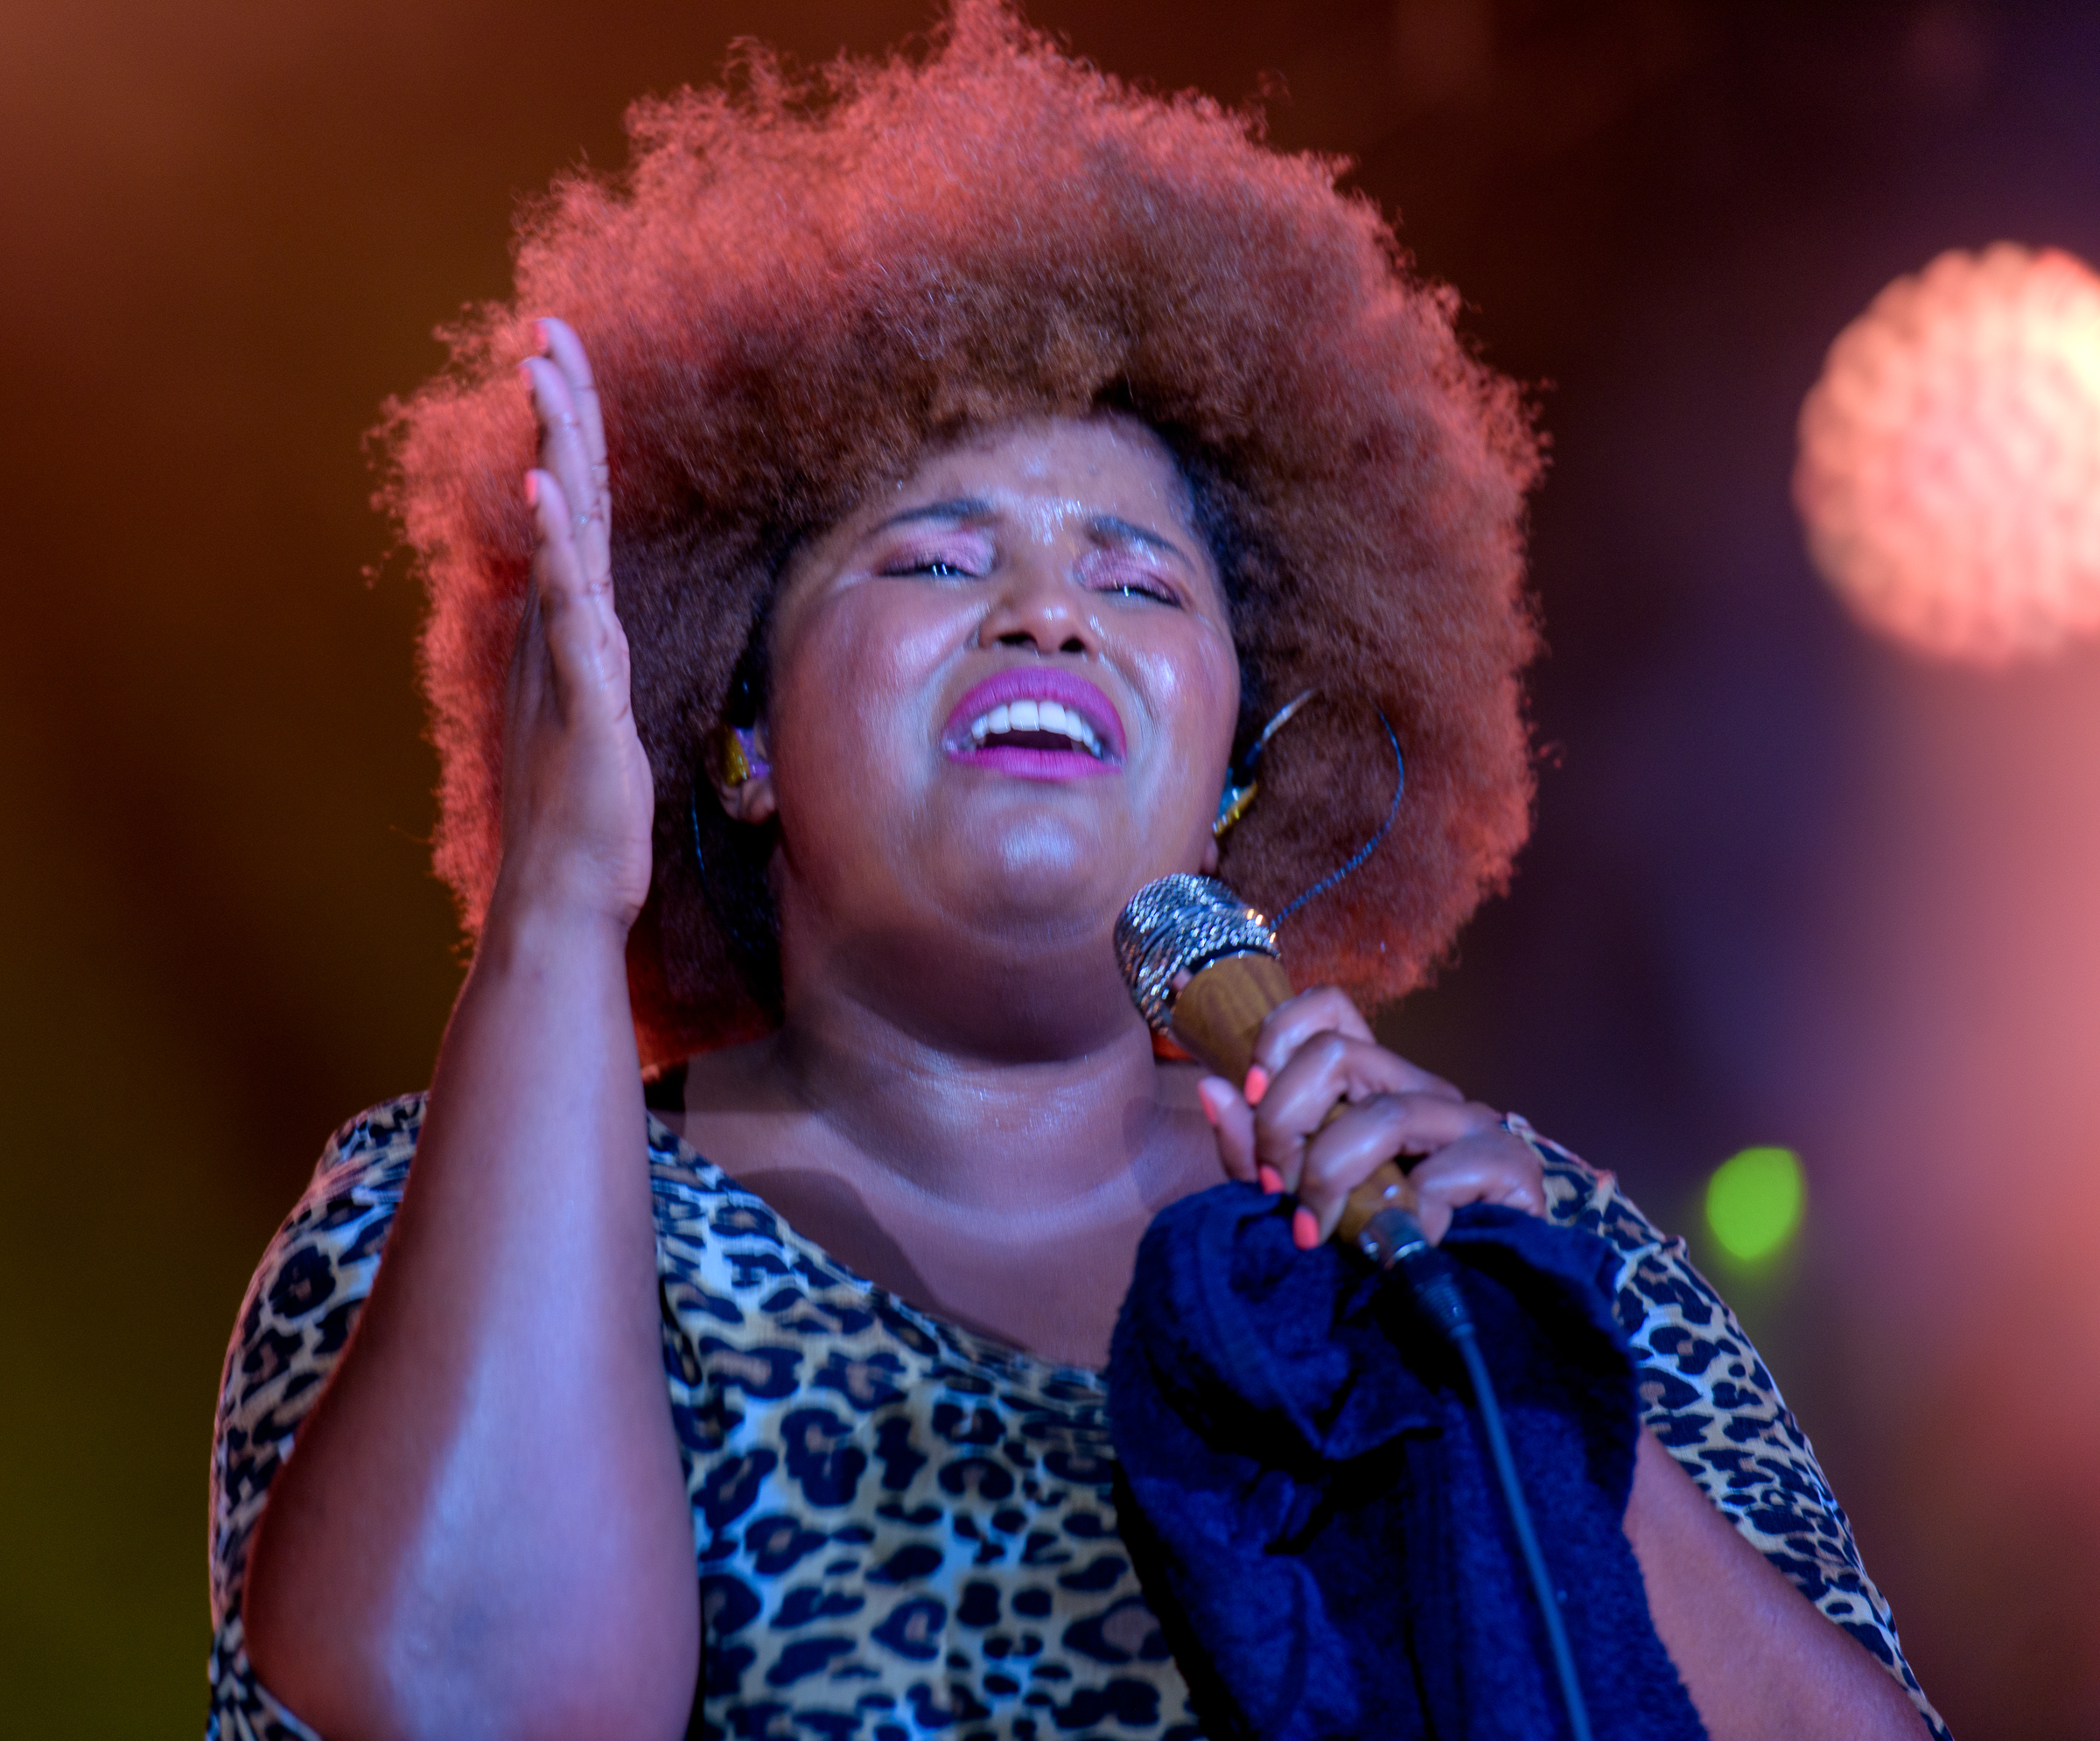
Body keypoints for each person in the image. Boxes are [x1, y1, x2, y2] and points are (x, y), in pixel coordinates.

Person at [206, 8, 1943, 1738]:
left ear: (1237, 775)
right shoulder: (472, 1198)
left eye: (1139, 586)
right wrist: (555, 910)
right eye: (937, 556)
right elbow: (460, 1703)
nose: (1047, 610)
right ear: (724, 731)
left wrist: (1522, 1376)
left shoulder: (1507, 1237)